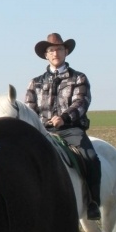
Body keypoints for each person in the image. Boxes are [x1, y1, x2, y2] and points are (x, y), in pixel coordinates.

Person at [25, 33, 102, 221]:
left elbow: (81, 102)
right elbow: (29, 108)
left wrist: (64, 118)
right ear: (46, 55)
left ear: (66, 51)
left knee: (91, 157)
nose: (55, 53)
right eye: (51, 50)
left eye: (59, 49)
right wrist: (41, 123)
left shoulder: (79, 78)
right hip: (43, 131)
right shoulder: (35, 82)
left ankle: (93, 202)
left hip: (70, 129)